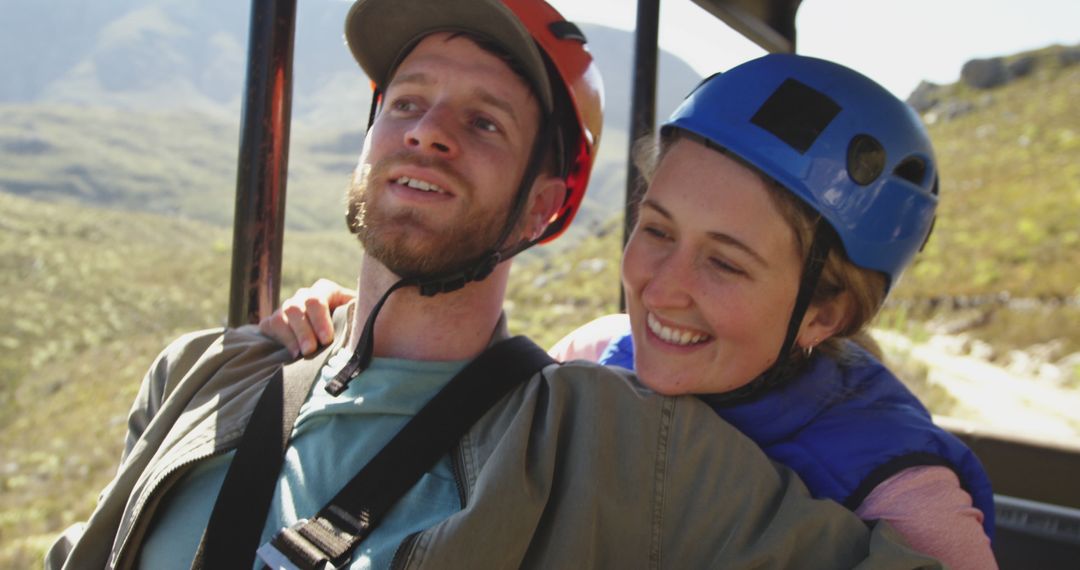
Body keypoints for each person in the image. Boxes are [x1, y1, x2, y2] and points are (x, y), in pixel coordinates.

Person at [46, 1, 944, 568]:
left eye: (483, 122)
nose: (429, 131)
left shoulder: (616, 440)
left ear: (541, 208)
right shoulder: (206, 373)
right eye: (406, 100)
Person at [262, 54, 997, 568]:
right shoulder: (600, 353)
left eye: (725, 262)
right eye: (657, 230)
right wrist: (355, 326)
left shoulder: (902, 496)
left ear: (825, 313)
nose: (662, 288)